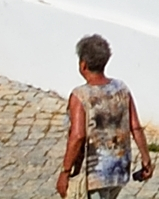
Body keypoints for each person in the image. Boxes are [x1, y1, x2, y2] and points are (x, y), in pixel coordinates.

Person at [59, 35, 147, 192]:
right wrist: (146, 160)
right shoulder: (121, 89)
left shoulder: (81, 96)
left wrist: (65, 172)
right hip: (119, 170)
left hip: (95, 176)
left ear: (83, 65)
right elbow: (136, 127)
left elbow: (78, 135)